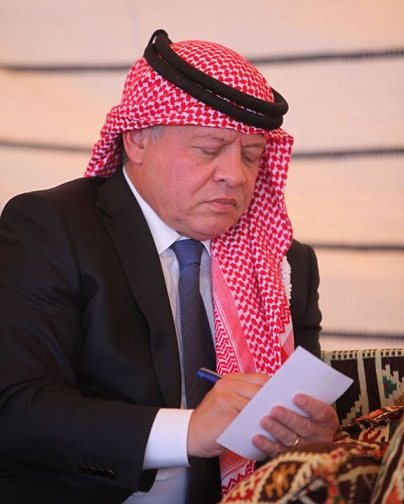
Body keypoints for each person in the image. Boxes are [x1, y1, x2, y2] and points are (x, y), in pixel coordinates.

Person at [0, 30, 339, 504]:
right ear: (138, 139)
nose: (235, 175)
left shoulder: (285, 263)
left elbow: (301, 414)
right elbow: (17, 407)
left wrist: (310, 434)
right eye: (209, 148)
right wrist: (189, 431)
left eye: (251, 155)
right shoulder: (52, 228)